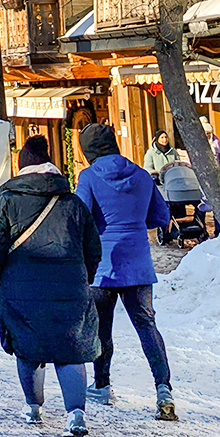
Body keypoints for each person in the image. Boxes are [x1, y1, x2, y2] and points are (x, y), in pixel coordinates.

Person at [0, 136, 103, 437]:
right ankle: (76, 413)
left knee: (28, 345)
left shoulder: (6, 200)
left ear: (22, 167)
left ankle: (33, 407)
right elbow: (93, 248)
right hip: (70, 287)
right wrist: (81, 276)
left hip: (21, 287)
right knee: (70, 350)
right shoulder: (72, 202)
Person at [75, 122, 177, 420]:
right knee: (147, 327)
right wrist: (132, 225)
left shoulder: (89, 177)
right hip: (138, 265)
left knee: (101, 329)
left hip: (102, 267)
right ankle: (163, 389)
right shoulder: (142, 175)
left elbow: (81, 219)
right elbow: (160, 215)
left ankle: (102, 384)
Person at [197, 117, 220, 238]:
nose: (208, 135)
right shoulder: (197, 144)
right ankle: (202, 229)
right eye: (206, 133)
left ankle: (218, 230)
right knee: (203, 204)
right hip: (202, 179)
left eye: (209, 133)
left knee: (218, 204)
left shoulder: (216, 143)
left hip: (217, 178)